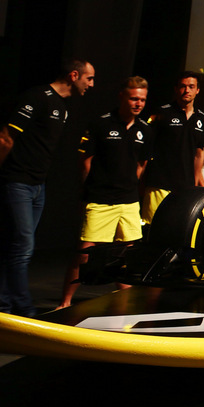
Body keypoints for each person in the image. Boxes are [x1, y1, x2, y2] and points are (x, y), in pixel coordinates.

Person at [0, 59, 95, 316]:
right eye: (89, 78)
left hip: (37, 186)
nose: (91, 84)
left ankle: (1, 304)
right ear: (74, 75)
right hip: (17, 182)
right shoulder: (37, 97)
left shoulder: (64, 108)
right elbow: (5, 137)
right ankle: (23, 307)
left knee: (15, 247)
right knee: (23, 246)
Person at [59, 77, 150, 309]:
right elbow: (85, 161)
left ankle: (127, 302)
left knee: (127, 257)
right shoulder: (101, 124)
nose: (138, 103)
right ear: (122, 96)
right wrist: (88, 191)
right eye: (133, 98)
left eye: (142, 99)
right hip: (100, 200)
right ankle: (65, 302)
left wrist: (130, 186)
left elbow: (141, 165)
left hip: (129, 202)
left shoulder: (145, 130)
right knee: (85, 254)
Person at [140, 72, 204, 225]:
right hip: (159, 183)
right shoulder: (163, 112)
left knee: (176, 229)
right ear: (176, 89)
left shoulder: (202, 119)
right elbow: (147, 147)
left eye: (191, 87)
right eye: (183, 86)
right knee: (152, 228)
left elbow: (199, 153)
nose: (187, 90)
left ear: (197, 90)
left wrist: (196, 181)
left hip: (185, 187)